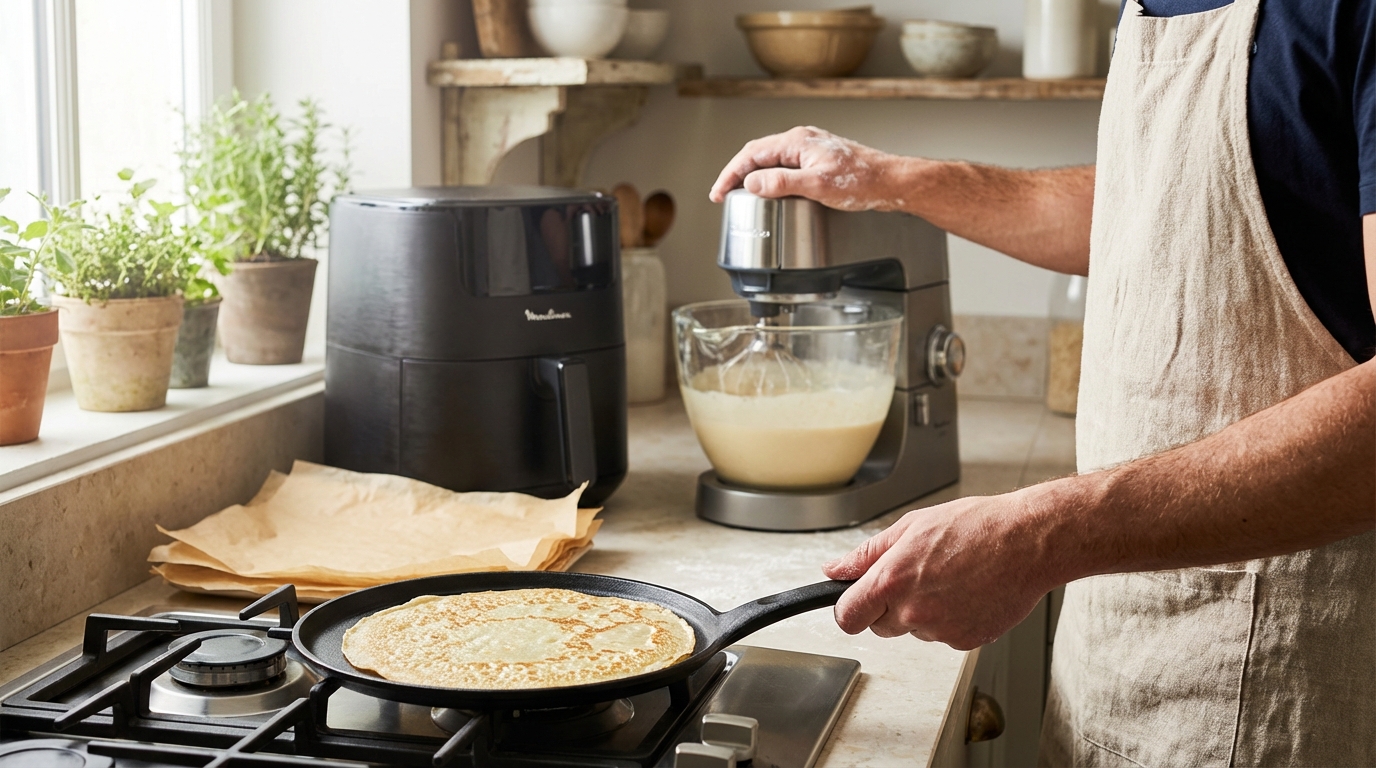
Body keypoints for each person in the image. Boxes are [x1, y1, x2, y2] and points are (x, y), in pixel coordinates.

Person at [708, 1, 1375, 765]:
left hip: (1283, 689)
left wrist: (1040, 535)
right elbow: (1156, 199)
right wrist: (887, 178)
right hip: (1113, 653)